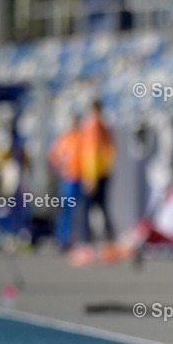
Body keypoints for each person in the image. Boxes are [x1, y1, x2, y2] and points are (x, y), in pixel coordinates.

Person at [79, 100, 115, 243]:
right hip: (103, 172)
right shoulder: (104, 126)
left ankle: (91, 238)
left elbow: (92, 153)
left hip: (96, 173)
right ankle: (107, 235)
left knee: (91, 207)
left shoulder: (94, 126)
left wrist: (91, 177)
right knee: (102, 206)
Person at [48, 116, 82, 249]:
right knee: (66, 209)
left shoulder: (81, 138)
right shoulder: (66, 139)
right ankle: (63, 238)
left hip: (79, 178)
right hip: (68, 179)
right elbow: (54, 155)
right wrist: (60, 167)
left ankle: (72, 237)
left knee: (75, 210)